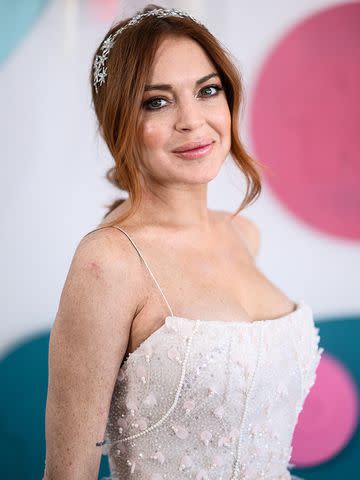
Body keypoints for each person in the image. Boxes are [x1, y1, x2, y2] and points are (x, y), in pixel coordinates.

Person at [43, 5, 323, 480]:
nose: (192, 121)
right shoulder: (109, 261)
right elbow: (69, 474)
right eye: (157, 101)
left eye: (207, 90)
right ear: (120, 123)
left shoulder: (243, 234)